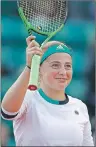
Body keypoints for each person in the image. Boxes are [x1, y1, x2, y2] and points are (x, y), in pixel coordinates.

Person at [1, 35, 94, 146]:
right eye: (55, 65)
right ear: (39, 69)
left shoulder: (80, 107)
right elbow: (7, 112)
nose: (63, 72)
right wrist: (29, 67)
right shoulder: (28, 98)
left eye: (68, 66)